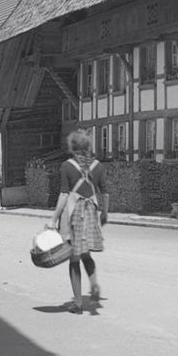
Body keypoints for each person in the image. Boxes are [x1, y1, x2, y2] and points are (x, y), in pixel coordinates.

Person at [50, 129, 109, 314]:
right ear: (88, 146)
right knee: (86, 254)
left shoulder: (67, 166)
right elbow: (105, 193)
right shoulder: (98, 166)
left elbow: (63, 194)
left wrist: (53, 219)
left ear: (72, 147)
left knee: (74, 258)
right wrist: (105, 213)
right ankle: (94, 284)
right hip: (91, 212)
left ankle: (77, 303)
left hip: (74, 213)